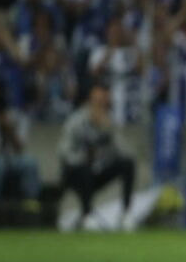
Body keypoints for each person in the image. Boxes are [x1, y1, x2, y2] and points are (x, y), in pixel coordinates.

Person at [58, 83, 136, 231]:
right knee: (84, 169)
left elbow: (124, 152)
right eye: (97, 101)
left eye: (104, 101)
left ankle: (126, 213)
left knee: (127, 164)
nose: (100, 104)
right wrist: (84, 158)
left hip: (98, 171)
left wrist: (108, 129)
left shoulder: (109, 121)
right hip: (76, 173)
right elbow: (64, 152)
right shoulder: (76, 121)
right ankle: (87, 215)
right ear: (89, 100)